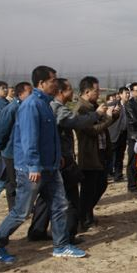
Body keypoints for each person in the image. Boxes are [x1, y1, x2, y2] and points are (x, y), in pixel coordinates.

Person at [0, 66, 86, 264]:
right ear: (41, 83)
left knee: (60, 205)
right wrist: (33, 165)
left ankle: (61, 245)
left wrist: (57, 157)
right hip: (32, 170)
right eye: (53, 80)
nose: (56, 84)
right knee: (21, 212)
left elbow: (50, 137)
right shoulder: (31, 105)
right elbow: (29, 138)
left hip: (50, 167)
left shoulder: (45, 103)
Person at [28, 78, 108, 243]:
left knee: (46, 195)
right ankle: (68, 235)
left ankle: (37, 230)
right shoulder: (58, 109)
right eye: (70, 89)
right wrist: (98, 115)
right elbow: (77, 122)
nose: (73, 92)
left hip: (55, 158)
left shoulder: (47, 106)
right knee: (71, 198)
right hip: (63, 159)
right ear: (61, 92)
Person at [75, 76, 117, 230]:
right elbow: (92, 130)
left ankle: (86, 215)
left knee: (100, 185)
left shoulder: (94, 106)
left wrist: (113, 115)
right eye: (96, 91)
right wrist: (108, 119)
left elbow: (103, 125)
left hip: (100, 152)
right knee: (88, 189)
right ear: (87, 91)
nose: (99, 93)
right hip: (89, 154)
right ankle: (82, 219)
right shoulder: (81, 109)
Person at [0, 82, 33, 211]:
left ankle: (23, 206)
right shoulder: (12, 108)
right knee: (12, 181)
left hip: (21, 151)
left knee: (22, 180)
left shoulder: (24, 107)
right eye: (29, 93)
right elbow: (1, 129)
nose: (32, 95)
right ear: (20, 94)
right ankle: (14, 208)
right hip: (10, 152)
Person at [107, 87, 129, 182]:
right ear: (120, 95)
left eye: (128, 93)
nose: (128, 95)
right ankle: (108, 173)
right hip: (114, 133)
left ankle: (118, 175)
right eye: (126, 93)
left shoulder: (129, 106)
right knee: (111, 156)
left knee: (120, 156)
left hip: (123, 134)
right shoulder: (113, 105)